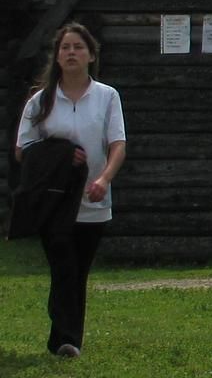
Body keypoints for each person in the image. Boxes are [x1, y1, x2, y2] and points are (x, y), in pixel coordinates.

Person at [12, 22, 126, 359]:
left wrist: (103, 179)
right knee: (63, 265)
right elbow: (23, 149)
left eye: (78, 47)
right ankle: (68, 340)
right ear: (57, 56)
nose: (71, 52)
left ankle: (62, 337)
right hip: (54, 201)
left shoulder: (107, 96)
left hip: (93, 199)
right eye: (65, 47)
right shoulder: (41, 101)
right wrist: (60, 152)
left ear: (91, 54)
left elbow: (118, 143)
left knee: (78, 272)